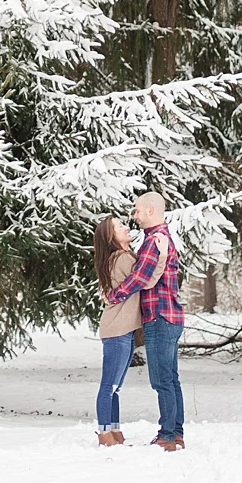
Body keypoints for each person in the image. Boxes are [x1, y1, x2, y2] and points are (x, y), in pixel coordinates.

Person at [105, 192, 185, 451]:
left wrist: (114, 295)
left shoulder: (154, 240)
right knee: (171, 379)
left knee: (162, 380)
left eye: (137, 211)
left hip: (160, 316)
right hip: (169, 315)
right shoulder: (160, 238)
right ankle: (176, 433)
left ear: (151, 210)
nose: (135, 216)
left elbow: (140, 277)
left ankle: (169, 436)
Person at [92, 215, 165, 446]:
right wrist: (162, 255)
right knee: (109, 386)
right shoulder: (122, 258)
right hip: (117, 329)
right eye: (118, 227)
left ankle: (113, 432)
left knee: (115, 387)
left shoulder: (119, 258)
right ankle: (106, 434)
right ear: (110, 237)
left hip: (119, 328)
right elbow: (146, 278)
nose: (125, 227)